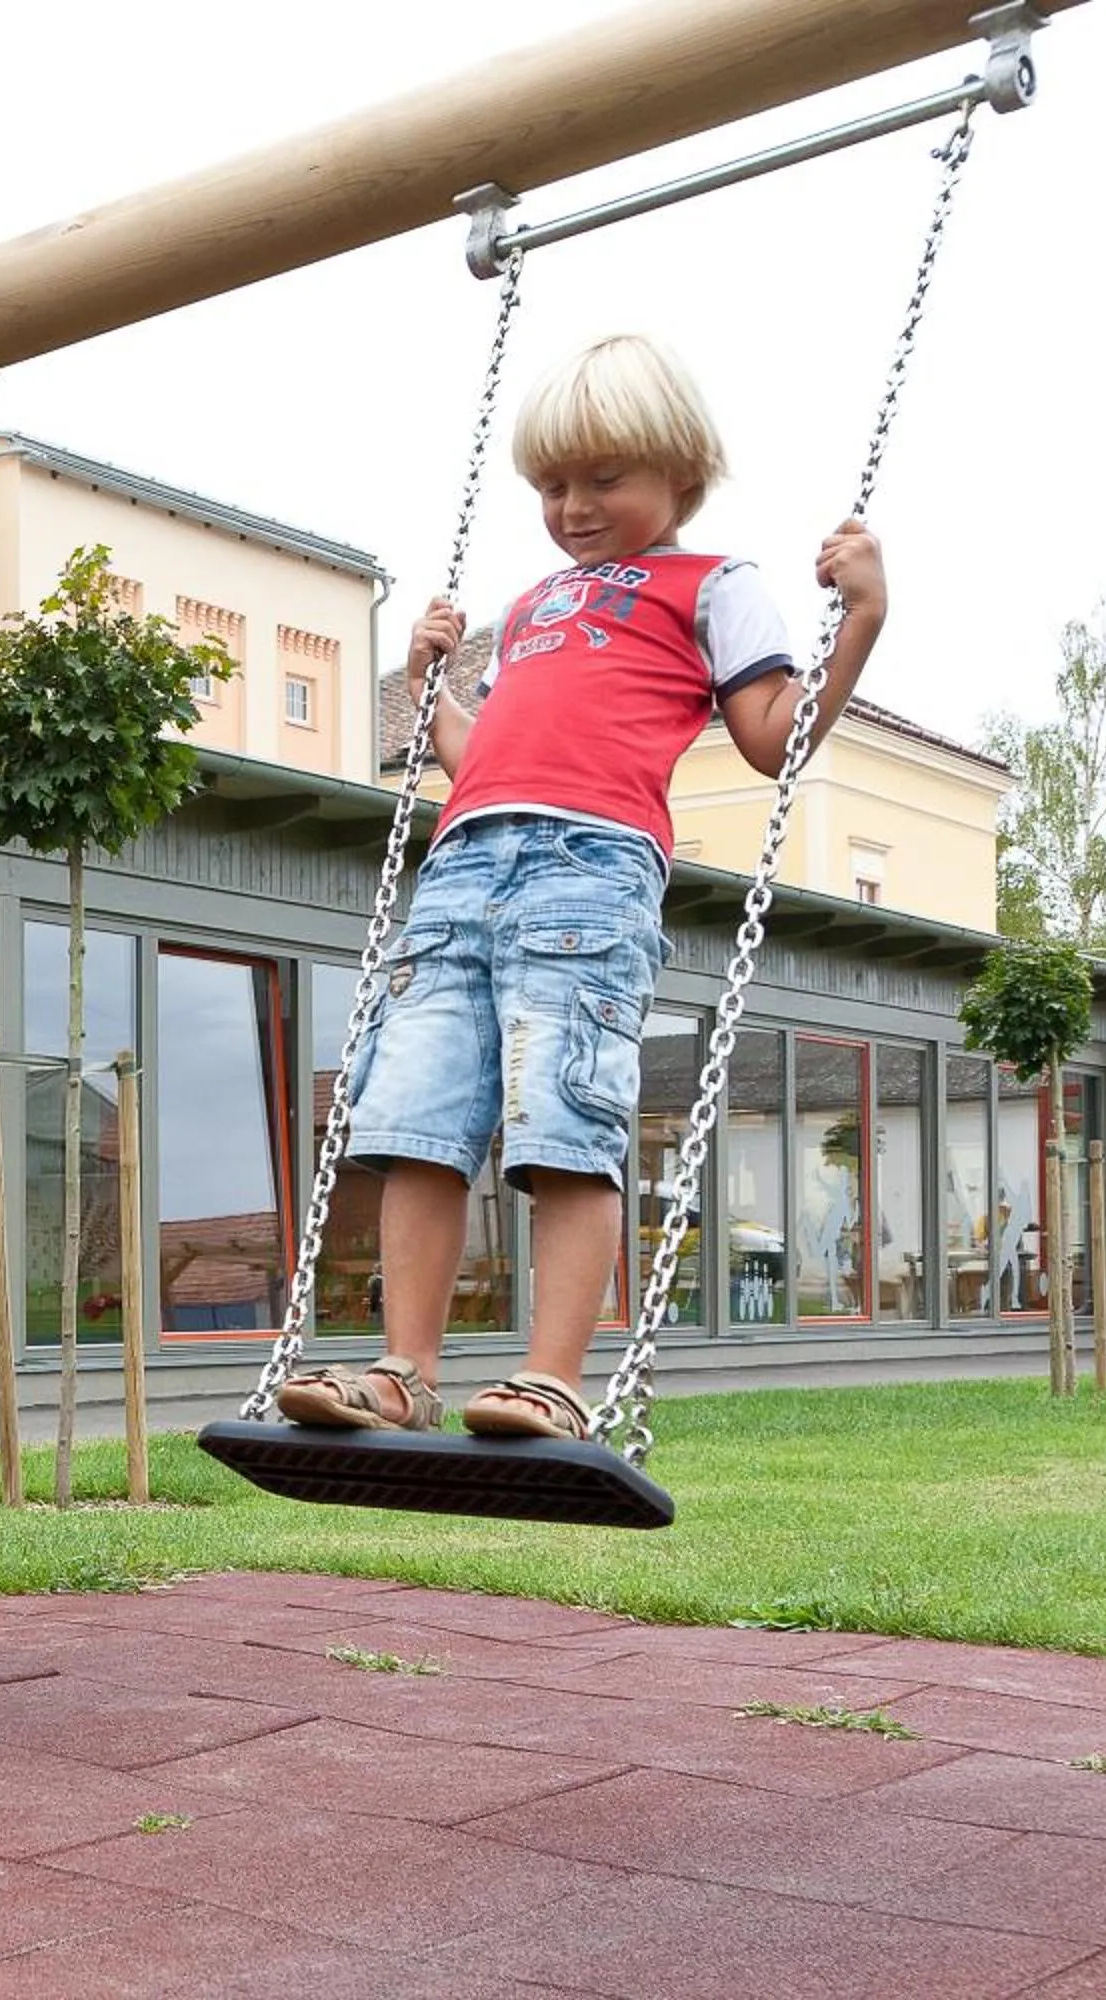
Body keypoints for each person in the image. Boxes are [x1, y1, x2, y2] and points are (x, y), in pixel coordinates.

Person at [277, 333, 885, 1442]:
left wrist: (861, 623)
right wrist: (427, 687)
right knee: (416, 1119)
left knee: (562, 1115)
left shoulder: (717, 584)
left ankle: (551, 1376)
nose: (573, 504)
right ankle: (405, 1370)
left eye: (604, 479)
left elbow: (772, 738)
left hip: (586, 867)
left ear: (680, 476)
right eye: (553, 484)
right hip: (463, 861)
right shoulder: (534, 605)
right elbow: (481, 754)